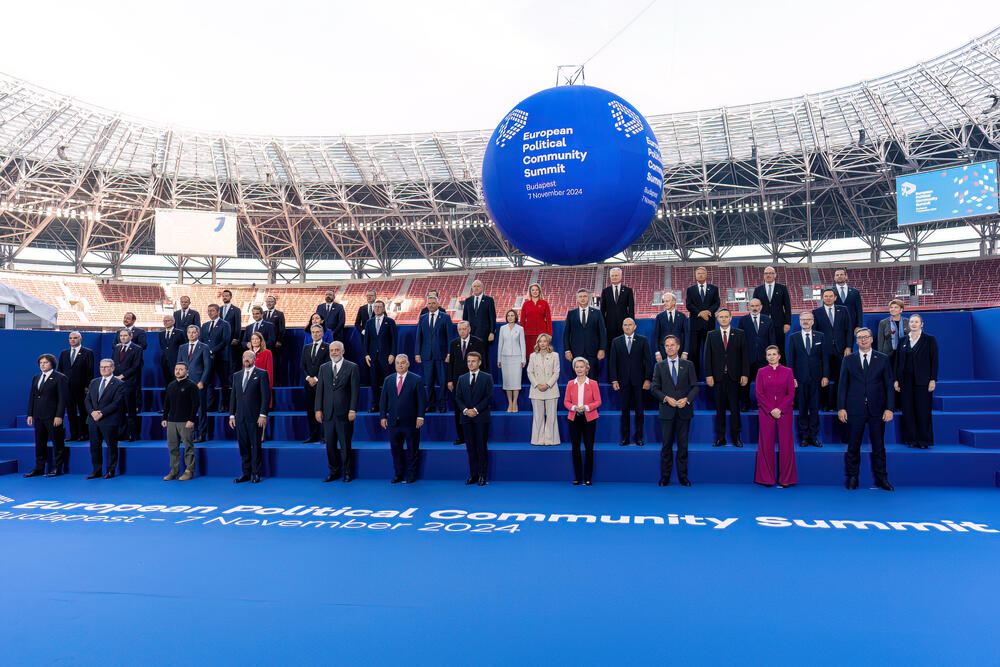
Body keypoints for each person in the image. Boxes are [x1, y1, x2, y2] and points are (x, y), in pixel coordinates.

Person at [838, 328, 894, 491]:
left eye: (866, 337)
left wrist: (889, 408)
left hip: (877, 409)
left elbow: (889, 386)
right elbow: (842, 386)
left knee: (879, 446)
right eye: (860, 338)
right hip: (854, 409)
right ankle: (852, 477)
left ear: (871, 339)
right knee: (853, 446)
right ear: (856, 341)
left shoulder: (883, 359)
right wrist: (841, 407)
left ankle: (882, 478)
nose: (863, 340)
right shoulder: (848, 360)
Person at [651, 336, 697, 486]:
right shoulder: (659, 366)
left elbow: (695, 386)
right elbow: (654, 388)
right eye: (666, 346)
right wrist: (665, 398)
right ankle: (665, 477)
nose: (669, 348)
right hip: (667, 411)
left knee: (683, 446)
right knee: (666, 446)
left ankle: (683, 477)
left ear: (678, 347)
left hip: (684, 411)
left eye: (672, 345)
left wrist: (687, 399)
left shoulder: (688, 365)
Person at [703, 309, 749, 447]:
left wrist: (745, 374)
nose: (723, 319)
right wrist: (708, 375)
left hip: (734, 377)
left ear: (730, 318)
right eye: (721, 317)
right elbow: (707, 357)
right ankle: (721, 438)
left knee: (735, 409)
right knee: (720, 409)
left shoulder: (740, 334)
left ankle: (736, 437)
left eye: (726, 317)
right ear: (717, 319)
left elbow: (745, 356)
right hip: (717, 378)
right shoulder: (711, 335)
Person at [315, 341, 360, 482]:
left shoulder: (352, 367)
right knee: (330, 445)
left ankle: (347, 472)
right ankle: (334, 472)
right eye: (331, 350)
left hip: (345, 413)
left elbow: (355, 392)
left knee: (345, 444)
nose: (334, 352)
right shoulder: (324, 368)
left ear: (343, 351)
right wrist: (318, 409)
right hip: (328, 413)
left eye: (336, 350)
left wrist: (353, 409)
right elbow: (320, 391)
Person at [754, 345, 797, 488]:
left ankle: (786, 479)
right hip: (766, 412)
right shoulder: (761, 372)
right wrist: (771, 409)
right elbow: (759, 393)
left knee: (786, 444)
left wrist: (780, 408)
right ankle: (767, 478)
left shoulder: (788, 371)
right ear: (766, 357)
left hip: (785, 411)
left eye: (774, 354)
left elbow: (790, 393)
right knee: (766, 443)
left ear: (779, 356)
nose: (771, 357)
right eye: (769, 354)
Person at [379, 354, 425, 484]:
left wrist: (420, 416)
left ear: (408, 364)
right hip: (393, 422)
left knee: (412, 450)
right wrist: (383, 416)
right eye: (398, 363)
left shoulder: (416, 379)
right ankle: (398, 474)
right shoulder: (388, 380)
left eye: (403, 362)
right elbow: (383, 401)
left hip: (411, 422)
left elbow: (421, 401)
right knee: (395, 450)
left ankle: (411, 475)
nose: (400, 365)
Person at [786, 311, 829, 447]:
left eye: (808, 319)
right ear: (799, 321)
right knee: (803, 409)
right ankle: (804, 436)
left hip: (816, 378)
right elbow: (790, 359)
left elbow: (825, 359)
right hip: (800, 378)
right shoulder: (794, 337)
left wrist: (825, 375)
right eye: (803, 319)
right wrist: (791, 378)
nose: (805, 321)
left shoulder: (821, 336)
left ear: (812, 321)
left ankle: (814, 436)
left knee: (815, 408)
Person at [895, 314, 938, 449]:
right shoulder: (902, 340)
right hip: (905, 381)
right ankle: (911, 439)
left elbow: (934, 361)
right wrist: (896, 380)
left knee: (923, 411)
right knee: (908, 411)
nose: (913, 324)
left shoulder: (930, 340)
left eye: (916, 322)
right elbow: (897, 362)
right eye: (911, 322)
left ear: (921, 324)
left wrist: (933, 379)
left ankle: (924, 441)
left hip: (923, 381)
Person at [24, 354, 69, 477]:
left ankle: (57, 468)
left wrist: (59, 415)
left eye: (45, 363)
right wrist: (30, 414)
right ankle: (39, 468)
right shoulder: (36, 377)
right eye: (41, 363)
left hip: (53, 416)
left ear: (52, 364)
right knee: (40, 443)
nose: (42, 365)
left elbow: (62, 399)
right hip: (38, 415)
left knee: (57, 442)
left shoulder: (60, 377)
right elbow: (32, 397)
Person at [609, 318, 652, 447]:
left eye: (630, 325)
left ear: (635, 326)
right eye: (625, 325)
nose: (627, 327)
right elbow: (613, 362)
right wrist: (614, 379)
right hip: (623, 382)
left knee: (639, 411)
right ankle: (625, 438)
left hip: (639, 381)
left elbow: (648, 361)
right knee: (625, 411)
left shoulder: (643, 340)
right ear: (622, 327)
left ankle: (639, 437)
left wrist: (648, 379)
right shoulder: (616, 341)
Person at [229, 350, 270, 484]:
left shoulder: (262, 374)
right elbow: (233, 397)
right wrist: (231, 415)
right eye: (244, 357)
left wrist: (263, 414)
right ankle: (246, 473)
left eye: (250, 357)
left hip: (255, 417)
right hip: (240, 417)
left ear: (254, 359)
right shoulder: (237, 375)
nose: (246, 359)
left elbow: (265, 396)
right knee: (243, 446)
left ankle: (256, 473)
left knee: (255, 445)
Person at [455, 350, 493, 485]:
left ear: (479, 362)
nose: (470, 364)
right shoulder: (462, 378)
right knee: (470, 448)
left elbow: (488, 398)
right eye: (469, 361)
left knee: (481, 447)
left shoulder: (487, 377)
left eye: (473, 361)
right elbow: (458, 398)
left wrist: (476, 410)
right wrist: (466, 410)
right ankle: (473, 475)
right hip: (466, 418)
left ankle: (483, 475)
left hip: (481, 418)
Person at [812, 288, 852, 411]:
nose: (828, 298)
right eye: (825, 296)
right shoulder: (816, 312)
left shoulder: (843, 310)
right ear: (822, 298)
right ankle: (825, 404)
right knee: (824, 377)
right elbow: (815, 332)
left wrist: (849, 346)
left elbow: (849, 329)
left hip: (841, 350)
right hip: (824, 350)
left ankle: (837, 404)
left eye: (830, 296)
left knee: (840, 378)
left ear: (835, 297)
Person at [85, 358, 124, 479]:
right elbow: (88, 400)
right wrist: (92, 412)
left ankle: (111, 470)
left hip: (109, 420)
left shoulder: (119, 383)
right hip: (93, 420)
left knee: (111, 446)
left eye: (106, 367)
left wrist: (101, 413)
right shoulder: (94, 382)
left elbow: (117, 403)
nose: (103, 369)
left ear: (112, 368)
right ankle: (96, 470)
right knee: (94, 446)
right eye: (101, 367)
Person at [564, 357, 601, 485]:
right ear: (574, 369)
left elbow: (598, 401)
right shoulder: (570, 384)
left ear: (587, 369)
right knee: (575, 448)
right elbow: (566, 402)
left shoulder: (593, 383)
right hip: (574, 418)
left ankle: (588, 477)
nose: (579, 369)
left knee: (589, 447)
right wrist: (574, 408)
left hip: (589, 418)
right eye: (577, 367)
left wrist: (586, 407)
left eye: (582, 367)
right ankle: (578, 477)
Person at [447, 321, 485, 446]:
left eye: (464, 329)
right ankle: (461, 436)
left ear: (469, 329)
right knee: (459, 410)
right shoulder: (454, 344)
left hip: (474, 380)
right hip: (458, 382)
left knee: (474, 408)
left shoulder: (478, 342)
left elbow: (483, 363)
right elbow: (451, 363)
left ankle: (476, 436)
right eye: (459, 329)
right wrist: (449, 380)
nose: (462, 331)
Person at [161, 361, 199, 481]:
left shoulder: (191, 385)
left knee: (188, 446)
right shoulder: (171, 385)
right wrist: (164, 417)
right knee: (172, 447)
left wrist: (191, 419)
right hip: (172, 421)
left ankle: (189, 470)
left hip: (185, 422)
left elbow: (195, 404)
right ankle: (174, 470)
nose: (178, 371)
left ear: (187, 371)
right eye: (176, 369)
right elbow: (167, 403)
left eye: (181, 369)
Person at [415, 294, 452, 413]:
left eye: (433, 303)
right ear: (427, 305)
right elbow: (418, 337)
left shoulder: (445, 317)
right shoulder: (423, 318)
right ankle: (430, 405)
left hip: (441, 355)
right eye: (429, 303)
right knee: (429, 382)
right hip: (427, 355)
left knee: (442, 382)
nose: (431, 305)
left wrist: (449, 353)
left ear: (438, 304)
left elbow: (450, 337)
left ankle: (442, 405)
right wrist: (417, 353)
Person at [738, 299, 776, 411]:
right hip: (747, 358)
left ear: (761, 307)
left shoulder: (768, 320)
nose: (754, 308)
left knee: (765, 385)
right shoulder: (743, 320)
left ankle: (765, 405)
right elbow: (740, 340)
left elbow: (772, 339)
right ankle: (745, 404)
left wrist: (772, 357)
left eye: (757, 306)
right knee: (745, 383)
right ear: (748, 307)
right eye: (752, 306)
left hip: (763, 358)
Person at [57, 331, 95, 442]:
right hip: (67, 388)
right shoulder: (64, 353)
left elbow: (90, 370)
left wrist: (88, 386)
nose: (72, 340)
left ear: (80, 339)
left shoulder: (88, 352)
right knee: (70, 411)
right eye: (70, 338)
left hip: (82, 387)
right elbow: (60, 371)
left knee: (83, 411)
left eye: (75, 338)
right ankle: (73, 434)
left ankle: (84, 434)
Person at [563, 288, 606, 380]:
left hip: (593, 352)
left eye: (585, 296)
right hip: (576, 351)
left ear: (589, 298)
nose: (583, 298)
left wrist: (602, 349)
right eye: (580, 297)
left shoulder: (597, 313)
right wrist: (567, 350)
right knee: (577, 379)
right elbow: (566, 334)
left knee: (593, 378)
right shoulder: (571, 314)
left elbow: (602, 332)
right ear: (577, 299)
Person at [685, 266, 720, 378]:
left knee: (709, 351)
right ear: (695, 275)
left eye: (702, 273)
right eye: (698, 273)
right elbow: (689, 305)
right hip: (695, 325)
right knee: (694, 352)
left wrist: (708, 311)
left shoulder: (714, 288)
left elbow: (716, 303)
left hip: (709, 324)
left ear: (706, 275)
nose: (700, 275)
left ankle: (710, 375)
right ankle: (694, 377)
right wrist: (700, 313)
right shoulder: (690, 289)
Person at [180, 325, 213, 442]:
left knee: (200, 410)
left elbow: (207, 367)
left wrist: (202, 381)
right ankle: (188, 434)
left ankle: (201, 434)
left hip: (198, 383)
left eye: (194, 332)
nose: (191, 334)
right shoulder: (182, 347)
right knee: (186, 410)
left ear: (198, 334)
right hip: (185, 384)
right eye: (189, 332)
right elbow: (179, 365)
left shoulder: (204, 347)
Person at [526, 334, 560, 446]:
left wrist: (547, 384)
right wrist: (537, 385)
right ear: (537, 343)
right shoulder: (532, 356)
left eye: (545, 341)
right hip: (536, 390)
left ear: (548, 343)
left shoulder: (555, 355)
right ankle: (537, 440)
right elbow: (529, 372)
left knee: (551, 416)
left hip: (551, 389)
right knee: (538, 416)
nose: (542, 343)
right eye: (540, 341)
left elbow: (556, 372)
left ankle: (551, 440)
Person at [364, 300, 398, 413]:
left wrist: (393, 354)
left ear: (383, 309)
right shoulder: (369, 322)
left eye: (379, 307)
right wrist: (366, 354)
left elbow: (394, 339)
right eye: (376, 307)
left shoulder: (390, 321)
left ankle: (388, 405)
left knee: (387, 382)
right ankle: (376, 405)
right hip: (373, 357)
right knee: (374, 382)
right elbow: (366, 340)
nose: (377, 308)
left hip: (386, 357)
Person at [752, 266, 792, 359]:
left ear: (775, 275)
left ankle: (781, 370)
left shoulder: (782, 288)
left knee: (779, 348)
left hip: (779, 324)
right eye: (766, 273)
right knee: (764, 347)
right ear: (763, 276)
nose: (768, 275)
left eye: (771, 273)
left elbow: (787, 307)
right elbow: (754, 306)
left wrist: (787, 323)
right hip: (762, 324)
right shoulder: (758, 289)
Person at [112, 328, 143, 442]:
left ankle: (131, 435)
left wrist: (122, 376)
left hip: (129, 384)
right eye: (121, 336)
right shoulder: (117, 348)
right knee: (119, 411)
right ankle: (120, 434)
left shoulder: (137, 349)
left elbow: (136, 366)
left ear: (130, 336)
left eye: (125, 335)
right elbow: (113, 363)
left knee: (130, 411)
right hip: (117, 384)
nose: (123, 337)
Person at [301, 324, 330, 444]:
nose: (315, 334)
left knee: (323, 410)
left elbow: (327, 365)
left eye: (318, 332)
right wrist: (308, 378)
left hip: (321, 384)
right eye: (313, 332)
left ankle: (324, 436)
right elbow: (302, 366)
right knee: (310, 410)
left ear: (322, 333)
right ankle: (313, 435)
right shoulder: (306, 347)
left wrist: (316, 379)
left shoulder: (328, 347)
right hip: (308, 384)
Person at [201, 303, 233, 412]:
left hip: (221, 358)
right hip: (207, 359)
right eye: (208, 311)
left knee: (224, 383)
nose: (210, 313)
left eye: (212, 310)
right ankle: (211, 405)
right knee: (209, 383)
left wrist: (212, 350)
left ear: (218, 312)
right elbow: (202, 341)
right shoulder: (205, 325)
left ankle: (225, 405)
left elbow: (225, 341)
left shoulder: (225, 324)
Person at [462, 280, 496, 367]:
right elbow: (465, 318)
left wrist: (492, 332)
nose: (476, 288)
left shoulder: (489, 300)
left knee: (483, 357)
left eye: (478, 286)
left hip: (484, 335)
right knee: (471, 357)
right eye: (474, 286)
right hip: (471, 334)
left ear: (482, 288)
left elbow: (492, 317)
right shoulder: (468, 301)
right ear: (472, 288)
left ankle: (484, 378)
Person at [497, 309, 526, 412]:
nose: (510, 317)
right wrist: (499, 359)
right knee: (508, 382)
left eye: (512, 315)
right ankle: (510, 403)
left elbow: (522, 344)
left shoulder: (520, 329)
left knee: (516, 381)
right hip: (505, 358)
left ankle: (515, 403)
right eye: (508, 315)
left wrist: (523, 359)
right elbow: (500, 344)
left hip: (517, 358)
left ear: (515, 317)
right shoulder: (502, 329)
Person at [600, 267, 635, 343]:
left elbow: (631, 309)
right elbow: (602, 310)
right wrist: (602, 325)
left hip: (624, 326)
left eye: (616, 275)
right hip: (609, 326)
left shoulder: (628, 291)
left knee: (624, 347)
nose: (614, 277)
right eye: (612, 276)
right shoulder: (605, 291)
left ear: (621, 276)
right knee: (610, 347)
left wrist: (631, 324)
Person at [653, 292, 689, 362]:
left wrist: (685, 352)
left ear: (673, 302)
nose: (664, 303)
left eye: (667, 301)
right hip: (663, 352)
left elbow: (686, 335)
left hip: (679, 351)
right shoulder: (659, 317)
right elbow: (656, 336)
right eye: (664, 301)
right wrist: (657, 352)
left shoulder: (682, 316)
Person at [520, 282, 551, 363]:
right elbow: (522, 321)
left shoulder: (544, 303)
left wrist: (549, 334)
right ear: (530, 292)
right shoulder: (526, 304)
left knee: (543, 358)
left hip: (542, 335)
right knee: (531, 358)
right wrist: (521, 334)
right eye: (533, 290)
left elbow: (548, 320)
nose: (535, 292)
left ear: (539, 291)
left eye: (536, 290)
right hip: (528, 335)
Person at [877, 299, 905, 375]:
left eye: (896, 307)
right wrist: (880, 356)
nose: (893, 309)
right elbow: (880, 341)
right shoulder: (883, 323)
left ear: (901, 310)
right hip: (888, 355)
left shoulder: (908, 322)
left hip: (904, 354)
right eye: (891, 307)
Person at [832, 268, 864, 334]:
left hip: (852, 326)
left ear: (846, 276)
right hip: (835, 326)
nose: (839, 276)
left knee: (850, 344)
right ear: (834, 278)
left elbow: (859, 310)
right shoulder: (829, 292)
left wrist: (858, 326)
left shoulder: (855, 292)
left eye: (841, 274)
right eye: (837, 275)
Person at [158, 315, 186, 390]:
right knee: (166, 383)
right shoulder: (161, 334)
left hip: (176, 362)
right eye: (164, 321)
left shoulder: (179, 333)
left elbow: (183, 347)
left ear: (173, 322)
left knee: (177, 383)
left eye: (167, 321)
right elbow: (163, 347)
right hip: (165, 362)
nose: (165, 322)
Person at [263, 295, 286, 383]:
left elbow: (282, 328)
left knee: (275, 363)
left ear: (275, 303)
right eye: (267, 302)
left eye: (271, 301)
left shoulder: (279, 314)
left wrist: (279, 340)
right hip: (265, 344)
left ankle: (276, 382)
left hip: (275, 344)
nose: (269, 303)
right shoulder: (263, 314)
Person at [248, 332, 274, 409]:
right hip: (250, 382)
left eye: (256, 339)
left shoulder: (267, 352)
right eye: (252, 339)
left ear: (260, 340)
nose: (254, 341)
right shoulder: (248, 353)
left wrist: (269, 385)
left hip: (262, 382)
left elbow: (269, 370)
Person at [220, 289, 242, 370]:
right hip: (221, 340)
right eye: (223, 296)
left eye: (226, 296)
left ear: (230, 297)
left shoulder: (236, 310)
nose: (225, 297)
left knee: (232, 361)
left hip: (231, 339)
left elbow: (238, 325)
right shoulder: (219, 309)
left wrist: (236, 338)